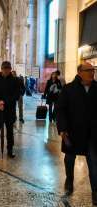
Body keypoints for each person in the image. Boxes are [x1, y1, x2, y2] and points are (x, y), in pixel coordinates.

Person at [56, 63, 97, 205]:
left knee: (94, 162)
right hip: (72, 132)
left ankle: (95, 192)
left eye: (93, 70)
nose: (92, 73)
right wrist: (62, 129)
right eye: (89, 70)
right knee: (69, 159)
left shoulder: (96, 88)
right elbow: (60, 110)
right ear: (79, 72)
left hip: (92, 134)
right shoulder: (68, 89)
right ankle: (69, 180)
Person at [0, 61, 20, 158]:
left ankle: (10, 149)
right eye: (4, 69)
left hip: (9, 109)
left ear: (10, 69)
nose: (6, 71)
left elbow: (17, 94)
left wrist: (4, 102)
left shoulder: (15, 80)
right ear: (1, 69)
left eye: (8, 69)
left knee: (10, 131)